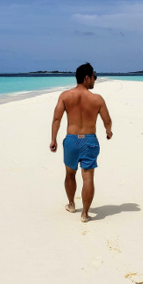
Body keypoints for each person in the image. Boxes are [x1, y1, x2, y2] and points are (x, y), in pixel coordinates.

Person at [50, 63, 113, 222]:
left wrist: (53, 139)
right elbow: (107, 120)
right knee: (88, 178)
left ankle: (71, 204)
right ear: (86, 78)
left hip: (71, 141)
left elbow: (57, 119)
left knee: (70, 174)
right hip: (89, 140)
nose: (95, 80)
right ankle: (84, 214)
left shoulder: (65, 96)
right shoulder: (97, 99)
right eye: (94, 77)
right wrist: (108, 131)